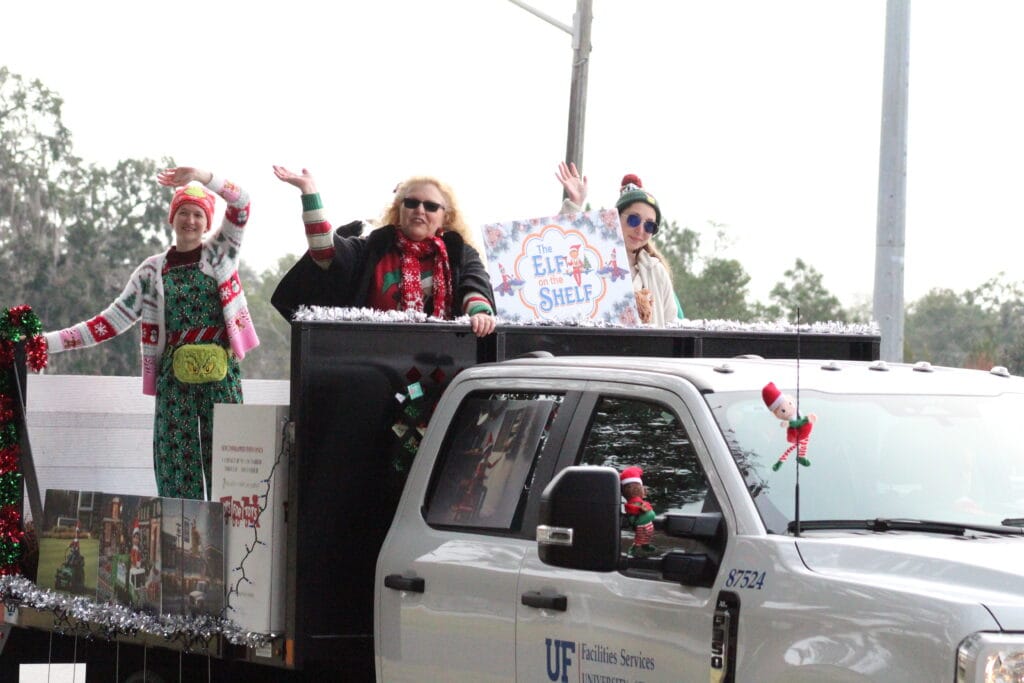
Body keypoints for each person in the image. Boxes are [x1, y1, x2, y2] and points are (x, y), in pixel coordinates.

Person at [43, 167, 257, 500]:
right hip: (174, 384)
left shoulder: (222, 252)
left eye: (198, 214)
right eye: (183, 212)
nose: (190, 220)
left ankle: (232, 549)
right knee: (175, 473)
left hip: (222, 378)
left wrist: (201, 176)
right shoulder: (151, 271)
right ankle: (181, 550)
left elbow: (242, 202)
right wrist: (44, 344)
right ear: (172, 219)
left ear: (208, 221)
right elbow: (109, 323)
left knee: (231, 471)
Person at [270, 166, 497, 337]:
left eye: (430, 206)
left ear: (445, 217)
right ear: (399, 209)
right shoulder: (372, 248)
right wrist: (309, 193)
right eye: (411, 203)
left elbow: (474, 285)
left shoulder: (459, 253)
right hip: (374, 364)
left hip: (439, 366)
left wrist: (479, 313)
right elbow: (325, 251)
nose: (419, 210)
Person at [555, 161, 683, 325]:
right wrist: (575, 204)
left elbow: (674, 324)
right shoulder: (594, 259)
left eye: (649, 225)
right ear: (615, 217)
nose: (640, 229)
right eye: (634, 219)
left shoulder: (656, 270)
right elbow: (560, 256)